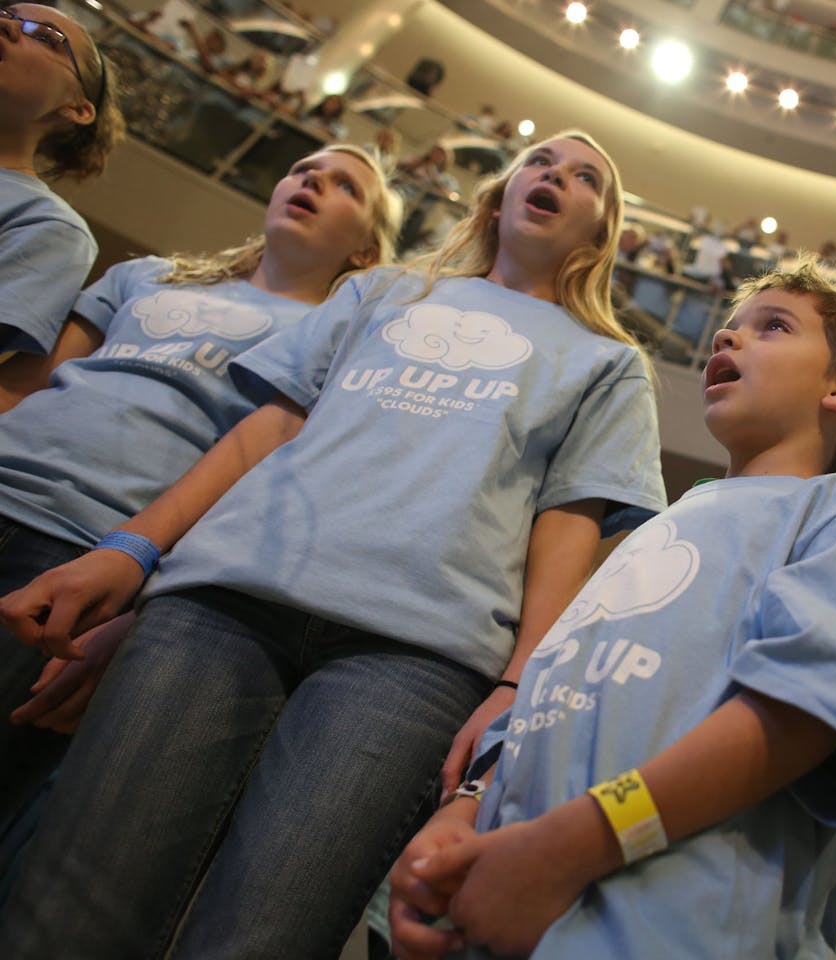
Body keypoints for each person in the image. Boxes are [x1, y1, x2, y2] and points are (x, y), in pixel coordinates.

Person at [0, 132, 667, 959]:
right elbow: (266, 430)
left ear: (602, 233)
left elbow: (564, 527)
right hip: (221, 603)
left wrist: (517, 682)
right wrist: (132, 551)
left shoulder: (610, 363)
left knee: (263, 936)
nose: (556, 178)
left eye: (585, 178)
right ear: (497, 198)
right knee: (70, 903)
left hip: (414, 659)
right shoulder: (380, 291)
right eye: (540, 163)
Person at [388, 259, 836, 959]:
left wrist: (572, 846)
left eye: (773, 327)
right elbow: (560, 678)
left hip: (667, 931)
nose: (727, 340)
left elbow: (801, 715)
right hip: (504, 903)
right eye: (727, 329)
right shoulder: (657, 528)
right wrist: (466, 810)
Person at [0, 143, 400, 824]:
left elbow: (258, 493)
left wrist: (137, 606)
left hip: (83, 556)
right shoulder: (145, 276)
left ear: (365, 249)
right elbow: (24, 386)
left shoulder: (335, 347)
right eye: (303, 169)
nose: (312, 182)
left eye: (344, 188)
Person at [0, 3, 123, 398]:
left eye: (45, 37)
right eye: (7, 14)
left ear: (75, 107)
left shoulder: (46, 226)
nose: (6, 26)